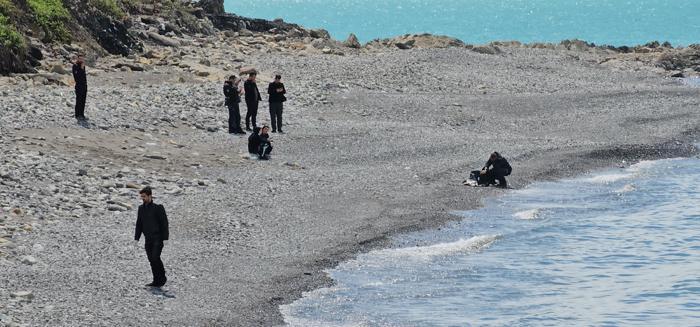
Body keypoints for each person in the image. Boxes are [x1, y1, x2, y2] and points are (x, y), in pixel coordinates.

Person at [134, 187, 169, 287]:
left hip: (158, 238)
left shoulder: (158, 208)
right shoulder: (141, 209)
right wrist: (136, 238)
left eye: (144, 196)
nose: (142, 198)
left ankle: (162, 278)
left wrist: (165, 238)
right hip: (148, 239)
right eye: (141, 197)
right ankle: (156, 281)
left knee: (155, 257)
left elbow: (164, 223)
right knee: (151, 260)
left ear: (150, 196)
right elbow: (139, 224)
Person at [72, 55, 88, 120]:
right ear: (77, 59)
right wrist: (81, 68)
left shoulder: (83, 66)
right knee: (78, 100)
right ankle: (77, 114)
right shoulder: (75, 66)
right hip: (78, 85)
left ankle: (82, 114)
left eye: (82, 59)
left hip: (84, 85)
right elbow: (76, 76)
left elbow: (84, 76)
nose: (81, 60)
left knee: (83, 100)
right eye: (80, 59)